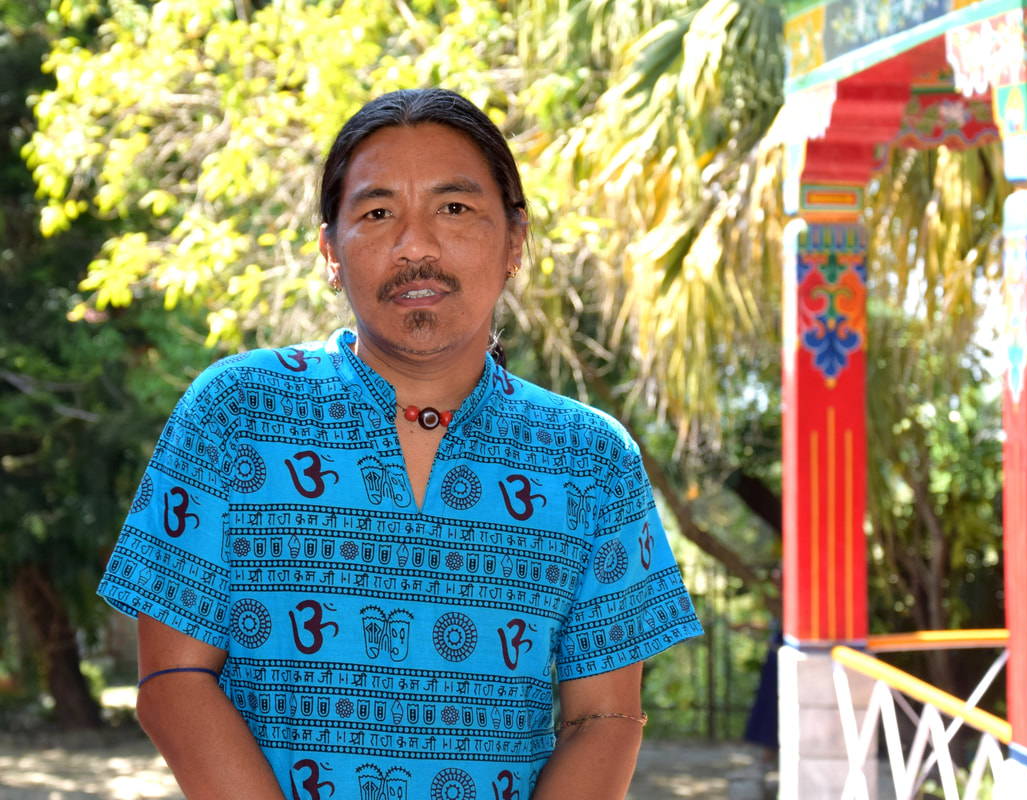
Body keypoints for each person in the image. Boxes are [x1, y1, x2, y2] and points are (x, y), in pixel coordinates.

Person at [98, 87, 703, 800]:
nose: (415, 246)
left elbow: (603, 715)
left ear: (513, 241)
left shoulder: (591, 458)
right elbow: (172, 680)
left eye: (454, 208)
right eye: (377, 213)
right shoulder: (236, 411)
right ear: (330, 249)